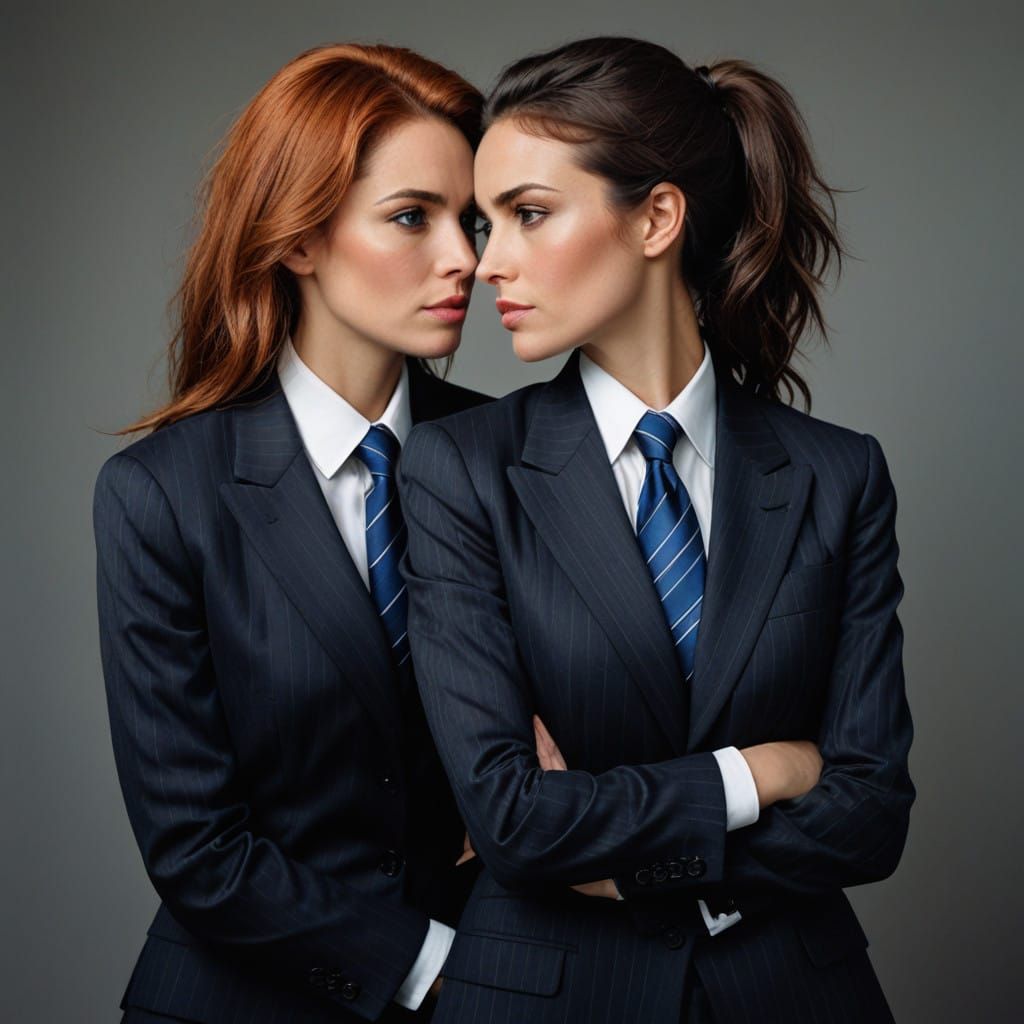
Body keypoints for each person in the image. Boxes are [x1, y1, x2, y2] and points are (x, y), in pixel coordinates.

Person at [398, 37, 914, 1023]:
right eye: (482, 220)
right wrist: (761, 769)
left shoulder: (835, 474)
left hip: (791, 994)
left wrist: (639, 867)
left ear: (658, 217)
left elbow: (872, 810)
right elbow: (512, 821)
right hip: (546, 998)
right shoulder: (459, 468)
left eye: (529, 214)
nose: (486, 260)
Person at [93, 43, 489, 1024]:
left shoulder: (510, 459)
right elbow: (198, 848)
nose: (465, 259)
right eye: (412, 217)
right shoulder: (163, 495)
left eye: (472, 220)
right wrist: (442, 969)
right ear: (300, 239)